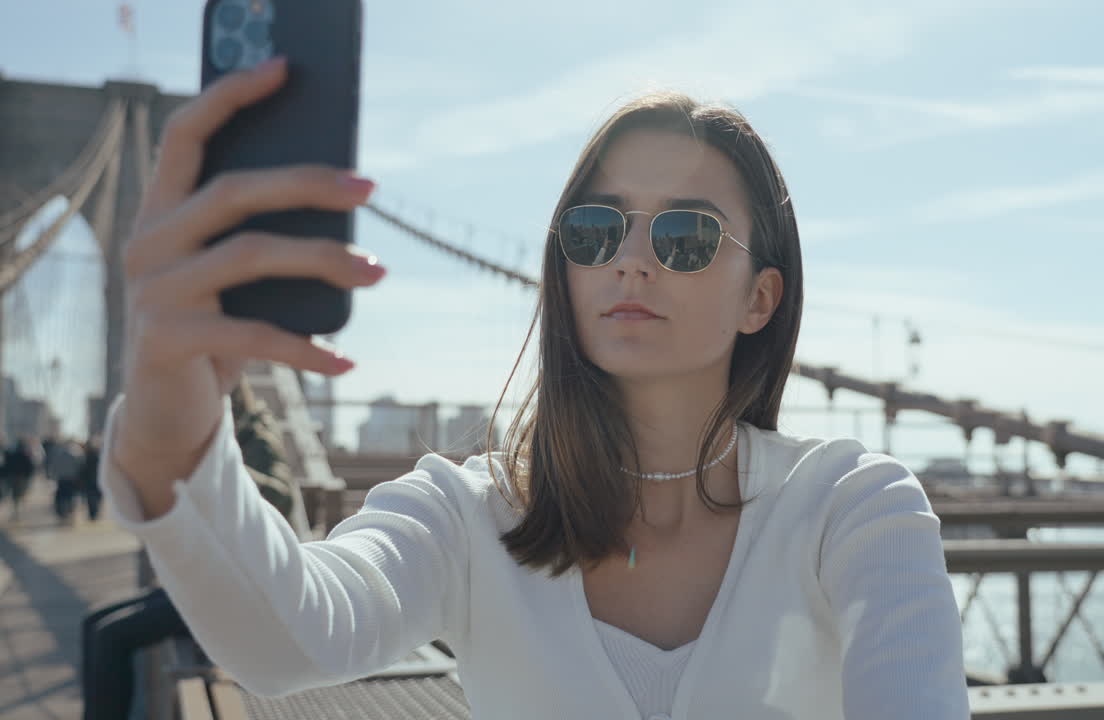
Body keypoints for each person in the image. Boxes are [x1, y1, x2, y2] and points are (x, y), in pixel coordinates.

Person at [99, 58, 968, 719]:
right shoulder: (465, 514)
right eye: (596, 229)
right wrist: (171, 435)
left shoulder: (855, 508)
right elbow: (283, 641)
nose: (630, 257)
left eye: (687, 235)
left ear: (760, 298)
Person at [81, 376, 296, 720]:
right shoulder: (217, 435)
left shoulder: (256, 434)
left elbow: (280, 496)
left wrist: (209, 466)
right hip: (215, 580)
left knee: (111, 636)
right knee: (94, 621)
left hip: (246, 592)